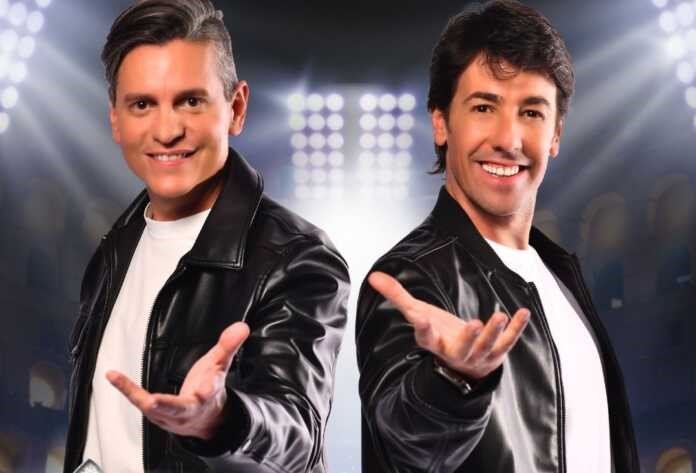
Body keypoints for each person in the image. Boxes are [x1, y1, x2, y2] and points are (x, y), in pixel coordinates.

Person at [63, 1, 349, 472]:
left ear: (236, 108)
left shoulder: (298, 257)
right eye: (142, 104)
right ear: (115, 119)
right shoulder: (113, 253)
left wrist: (223, 420)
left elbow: (298, 431)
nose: (167, 130)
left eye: (190, 101)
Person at [356, 1, 639, 472]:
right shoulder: (410, 278)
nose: (508, 139)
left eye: (531, 112)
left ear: (555, 134)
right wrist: (451, 382)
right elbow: (403, 441)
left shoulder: (560, 274)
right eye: (484, 107)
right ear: (441, 122)